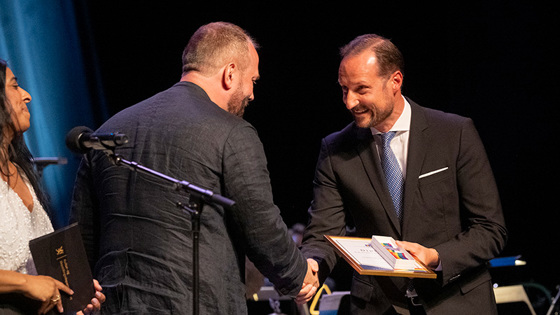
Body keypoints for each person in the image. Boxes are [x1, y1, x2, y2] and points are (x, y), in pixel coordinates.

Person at [70, 22, 318, 314]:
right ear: (230, 73)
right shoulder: (232, 132)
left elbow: (81, 235)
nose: (252, 93)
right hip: (194, 303)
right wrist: (297, 274)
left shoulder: (108, 129)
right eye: (253, 80)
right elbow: (260, 223)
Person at [299, 34, 508, 314]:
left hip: (456, 302)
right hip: (379, 306)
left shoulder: (454, 133)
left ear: (395, 81)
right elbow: (323, 234)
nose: (350, 102)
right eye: (344, 89)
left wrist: (435, 256)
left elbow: (490, 229)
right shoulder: (335, 149)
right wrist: (312, 265)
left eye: (361, 89)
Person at [0, 59, 105, 314]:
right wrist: (26, 283)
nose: (27, 96)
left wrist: (73, 293)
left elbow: (43, 272)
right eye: (14, 86)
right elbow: (31, 281)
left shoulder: (21, 171)